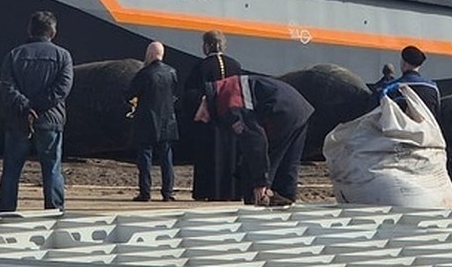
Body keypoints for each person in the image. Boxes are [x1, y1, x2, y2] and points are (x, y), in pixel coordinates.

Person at [0, 10, 74, 212]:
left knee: (11, 170)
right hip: (50, 120)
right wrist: (38, 106)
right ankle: (54, 210)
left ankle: (5, 211)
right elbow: (62, 88)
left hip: (18, 119)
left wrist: (27, 106)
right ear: (53, 32)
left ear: (30, 30)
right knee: (52, 169)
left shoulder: (14, 55)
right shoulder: (63, 56)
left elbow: (7, 87)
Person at [210, 74, 313, 206]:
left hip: (282, 111)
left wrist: (260, 182)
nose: (200, 119)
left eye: (199, 114)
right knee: (288, 161)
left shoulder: (231, 103)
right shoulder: (229, 87)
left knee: (263, 158)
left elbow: (255, 142)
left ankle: (260, 197)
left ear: (203, 101)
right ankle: (285, 196)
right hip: (299, 107)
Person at [183, 30, 243, 200]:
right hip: (231, 120)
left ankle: (208, 191)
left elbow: (190, 93)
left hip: (209, 123)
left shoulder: (201, 67)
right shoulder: (235, 65)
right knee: (231, 157)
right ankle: (231, 192)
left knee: (208, 158)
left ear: (208, 45)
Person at [124, 41, 179, 202]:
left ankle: (145, 192)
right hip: (167, 121)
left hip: (147, 121)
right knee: (167, 159)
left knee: (145, 158)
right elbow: (174, 94)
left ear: (149, 54)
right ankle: (168, 192)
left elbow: (129, 94)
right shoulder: (172, 72)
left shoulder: (144, 74)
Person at [384, 45, 440, 120]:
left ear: (403, 63)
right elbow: (436, 113)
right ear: (419, 66)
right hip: (426, 130)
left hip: (399, 131)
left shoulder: (391, 87)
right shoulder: (433, 88)